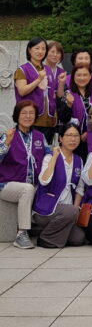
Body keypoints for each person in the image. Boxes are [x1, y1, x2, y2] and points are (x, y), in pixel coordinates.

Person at [0, 100, 46, 249]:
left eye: (31, 113)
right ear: (17, 116)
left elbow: (48, 155)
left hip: (34, 184)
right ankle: (22, 234)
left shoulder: (39, 136)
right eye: (24, 113)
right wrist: (6, 144)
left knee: (34, 188)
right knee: (27, 189)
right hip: (6, 184)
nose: (28, 116)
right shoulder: (8, 135)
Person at [32, 124, 86, 248]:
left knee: (79, 238)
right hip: (45, 210)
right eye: (69, 135)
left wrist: (75, 211)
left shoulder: (79, 160)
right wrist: (55, 157)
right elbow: (44, 181)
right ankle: (45, 239)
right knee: (71, 211)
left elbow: (79, 188)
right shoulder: (50, 157)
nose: (73, 139)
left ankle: (54, 236)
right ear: (61, 138)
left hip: (67, 212)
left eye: (76, 136)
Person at [14, 37, 56, 139]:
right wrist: (38, 80)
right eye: (37, 48)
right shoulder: (22, 70)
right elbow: (22, 91)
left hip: (48, 120)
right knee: (29, 147)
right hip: (30, 119)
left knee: (47, 148)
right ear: (29, 50)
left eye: (43, 49)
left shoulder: (48, 69)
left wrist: (55, 112)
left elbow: (52, 94)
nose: (40, 51)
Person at [58, 65, 92, 160]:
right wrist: (69, 105)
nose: (82, 78)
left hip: (91, 140)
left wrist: (89, 132)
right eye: (79, 75)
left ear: (90, 76)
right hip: (72, 140)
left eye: (85, 75)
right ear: (73, 76)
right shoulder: (67, 93)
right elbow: (62, 118)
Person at [44, 41, 67, 138]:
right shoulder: (39, 69)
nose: (55, 55)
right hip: (41, 110)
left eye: (58, 53)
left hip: (55, 111)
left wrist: (61, 83)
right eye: (52, 51)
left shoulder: (61, 72)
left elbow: (60, 95)